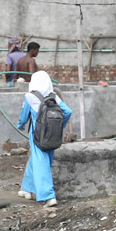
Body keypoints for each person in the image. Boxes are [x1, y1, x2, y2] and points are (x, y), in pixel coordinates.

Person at [16, 71, 73, 207]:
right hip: (53, 135)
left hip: (38, 135)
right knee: (37, 160)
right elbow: (68, 111)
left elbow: (24, 117)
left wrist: (20, 125)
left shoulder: (30, 96)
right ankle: (27, 189)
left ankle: (49, 196)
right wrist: (60, 125)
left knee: (41, 163)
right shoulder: (53, 97)